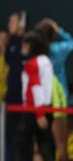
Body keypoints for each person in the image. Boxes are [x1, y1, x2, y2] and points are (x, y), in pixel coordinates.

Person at [13, 30, 55, 161]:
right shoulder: (46, 60)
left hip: (34, 109)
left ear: (31, 45)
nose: (23, 48)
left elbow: (36, 87)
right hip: (46, 107)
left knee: (18, 144)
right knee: (45, 145)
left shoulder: (32, 63)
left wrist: (39, 113)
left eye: (25, 45)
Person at [36, 18, 73, 161]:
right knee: (61, 144)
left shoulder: (37, 52)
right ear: (53, 35)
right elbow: (71, 43)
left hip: (43, 99)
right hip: (59, 100)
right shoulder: (58, 49)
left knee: (43, 143)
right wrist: (59, 30)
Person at [6, 11, 31, 161]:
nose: (9, 25)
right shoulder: (11, 43)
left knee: (24, 137)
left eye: (13, 22)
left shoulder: (28, 42)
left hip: (26, 99)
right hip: (12, 95)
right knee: (10, 134)